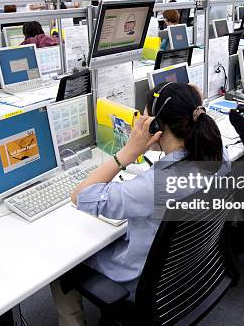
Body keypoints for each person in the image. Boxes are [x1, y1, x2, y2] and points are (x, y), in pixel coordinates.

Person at [51, 82, 226, 325]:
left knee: (62, 261)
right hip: (185, 270)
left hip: (138, 282)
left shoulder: (154, 186)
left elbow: (81, 195)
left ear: (156, 126)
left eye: (144, 116)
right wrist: (191, 102)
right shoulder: (219, 155)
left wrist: (128, 152)